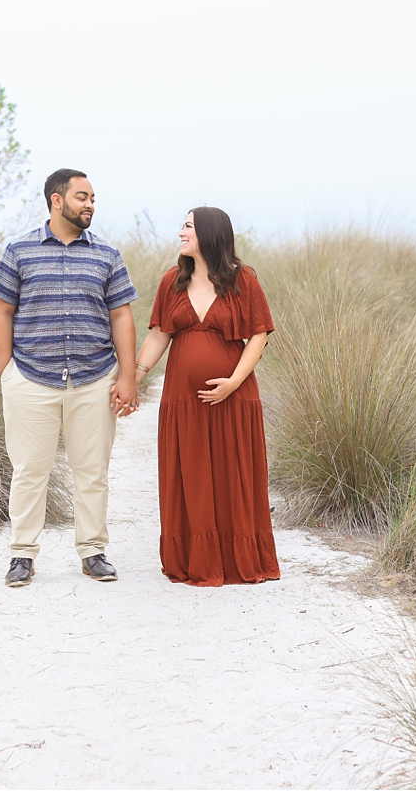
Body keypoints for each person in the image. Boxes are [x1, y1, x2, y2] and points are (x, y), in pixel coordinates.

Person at [0, 169, 139, 587]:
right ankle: (22, 555)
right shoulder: (19, 250)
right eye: (82, 196)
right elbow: (1, 312)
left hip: (93, 378)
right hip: (31, 378)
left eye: (92, 197)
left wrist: (127, 376)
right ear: (57, 201)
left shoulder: (107, 256)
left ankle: (93, 551)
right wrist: (8, 373)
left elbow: (122, 315)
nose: (90, 204)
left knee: (92, 470)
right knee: (30, 470)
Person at [133, 207, 280, 586]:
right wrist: (134, 376)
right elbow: (159, 335)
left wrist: (233, 381)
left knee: (234, 474)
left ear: (210, 234)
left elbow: (259, 335)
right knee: (191, 474)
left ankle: (238, 561)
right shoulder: (172, 281)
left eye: (188, 227)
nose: (181, 233)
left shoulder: (243, 280)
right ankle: (194, 561)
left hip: (234, 395)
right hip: (182, 399)